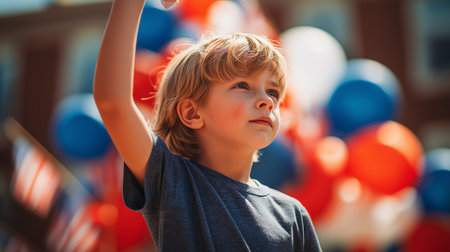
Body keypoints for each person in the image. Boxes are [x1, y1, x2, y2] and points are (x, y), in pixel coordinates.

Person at [94, 0, 322, 251]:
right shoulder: (172, 180)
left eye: (272, 91)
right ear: (192, 113)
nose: (267, 101)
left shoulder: (293, 215)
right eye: (243, 86)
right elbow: (113, 103)